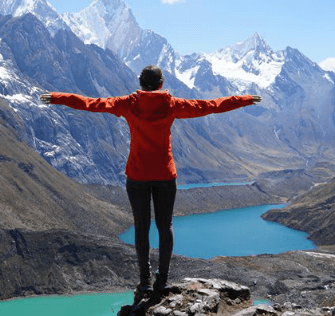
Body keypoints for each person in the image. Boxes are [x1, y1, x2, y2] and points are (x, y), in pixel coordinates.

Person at [40, 65, 261, 293]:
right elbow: (209, 106)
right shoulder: (172, 104)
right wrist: (242, 99)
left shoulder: (128, 103)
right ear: (161, 84)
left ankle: (144, 281)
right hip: (165, 175)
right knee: (165, 227)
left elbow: (91, 103)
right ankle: (162, 279)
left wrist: (58, 97)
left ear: (140, 82)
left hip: (137, 175)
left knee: (141, 227)